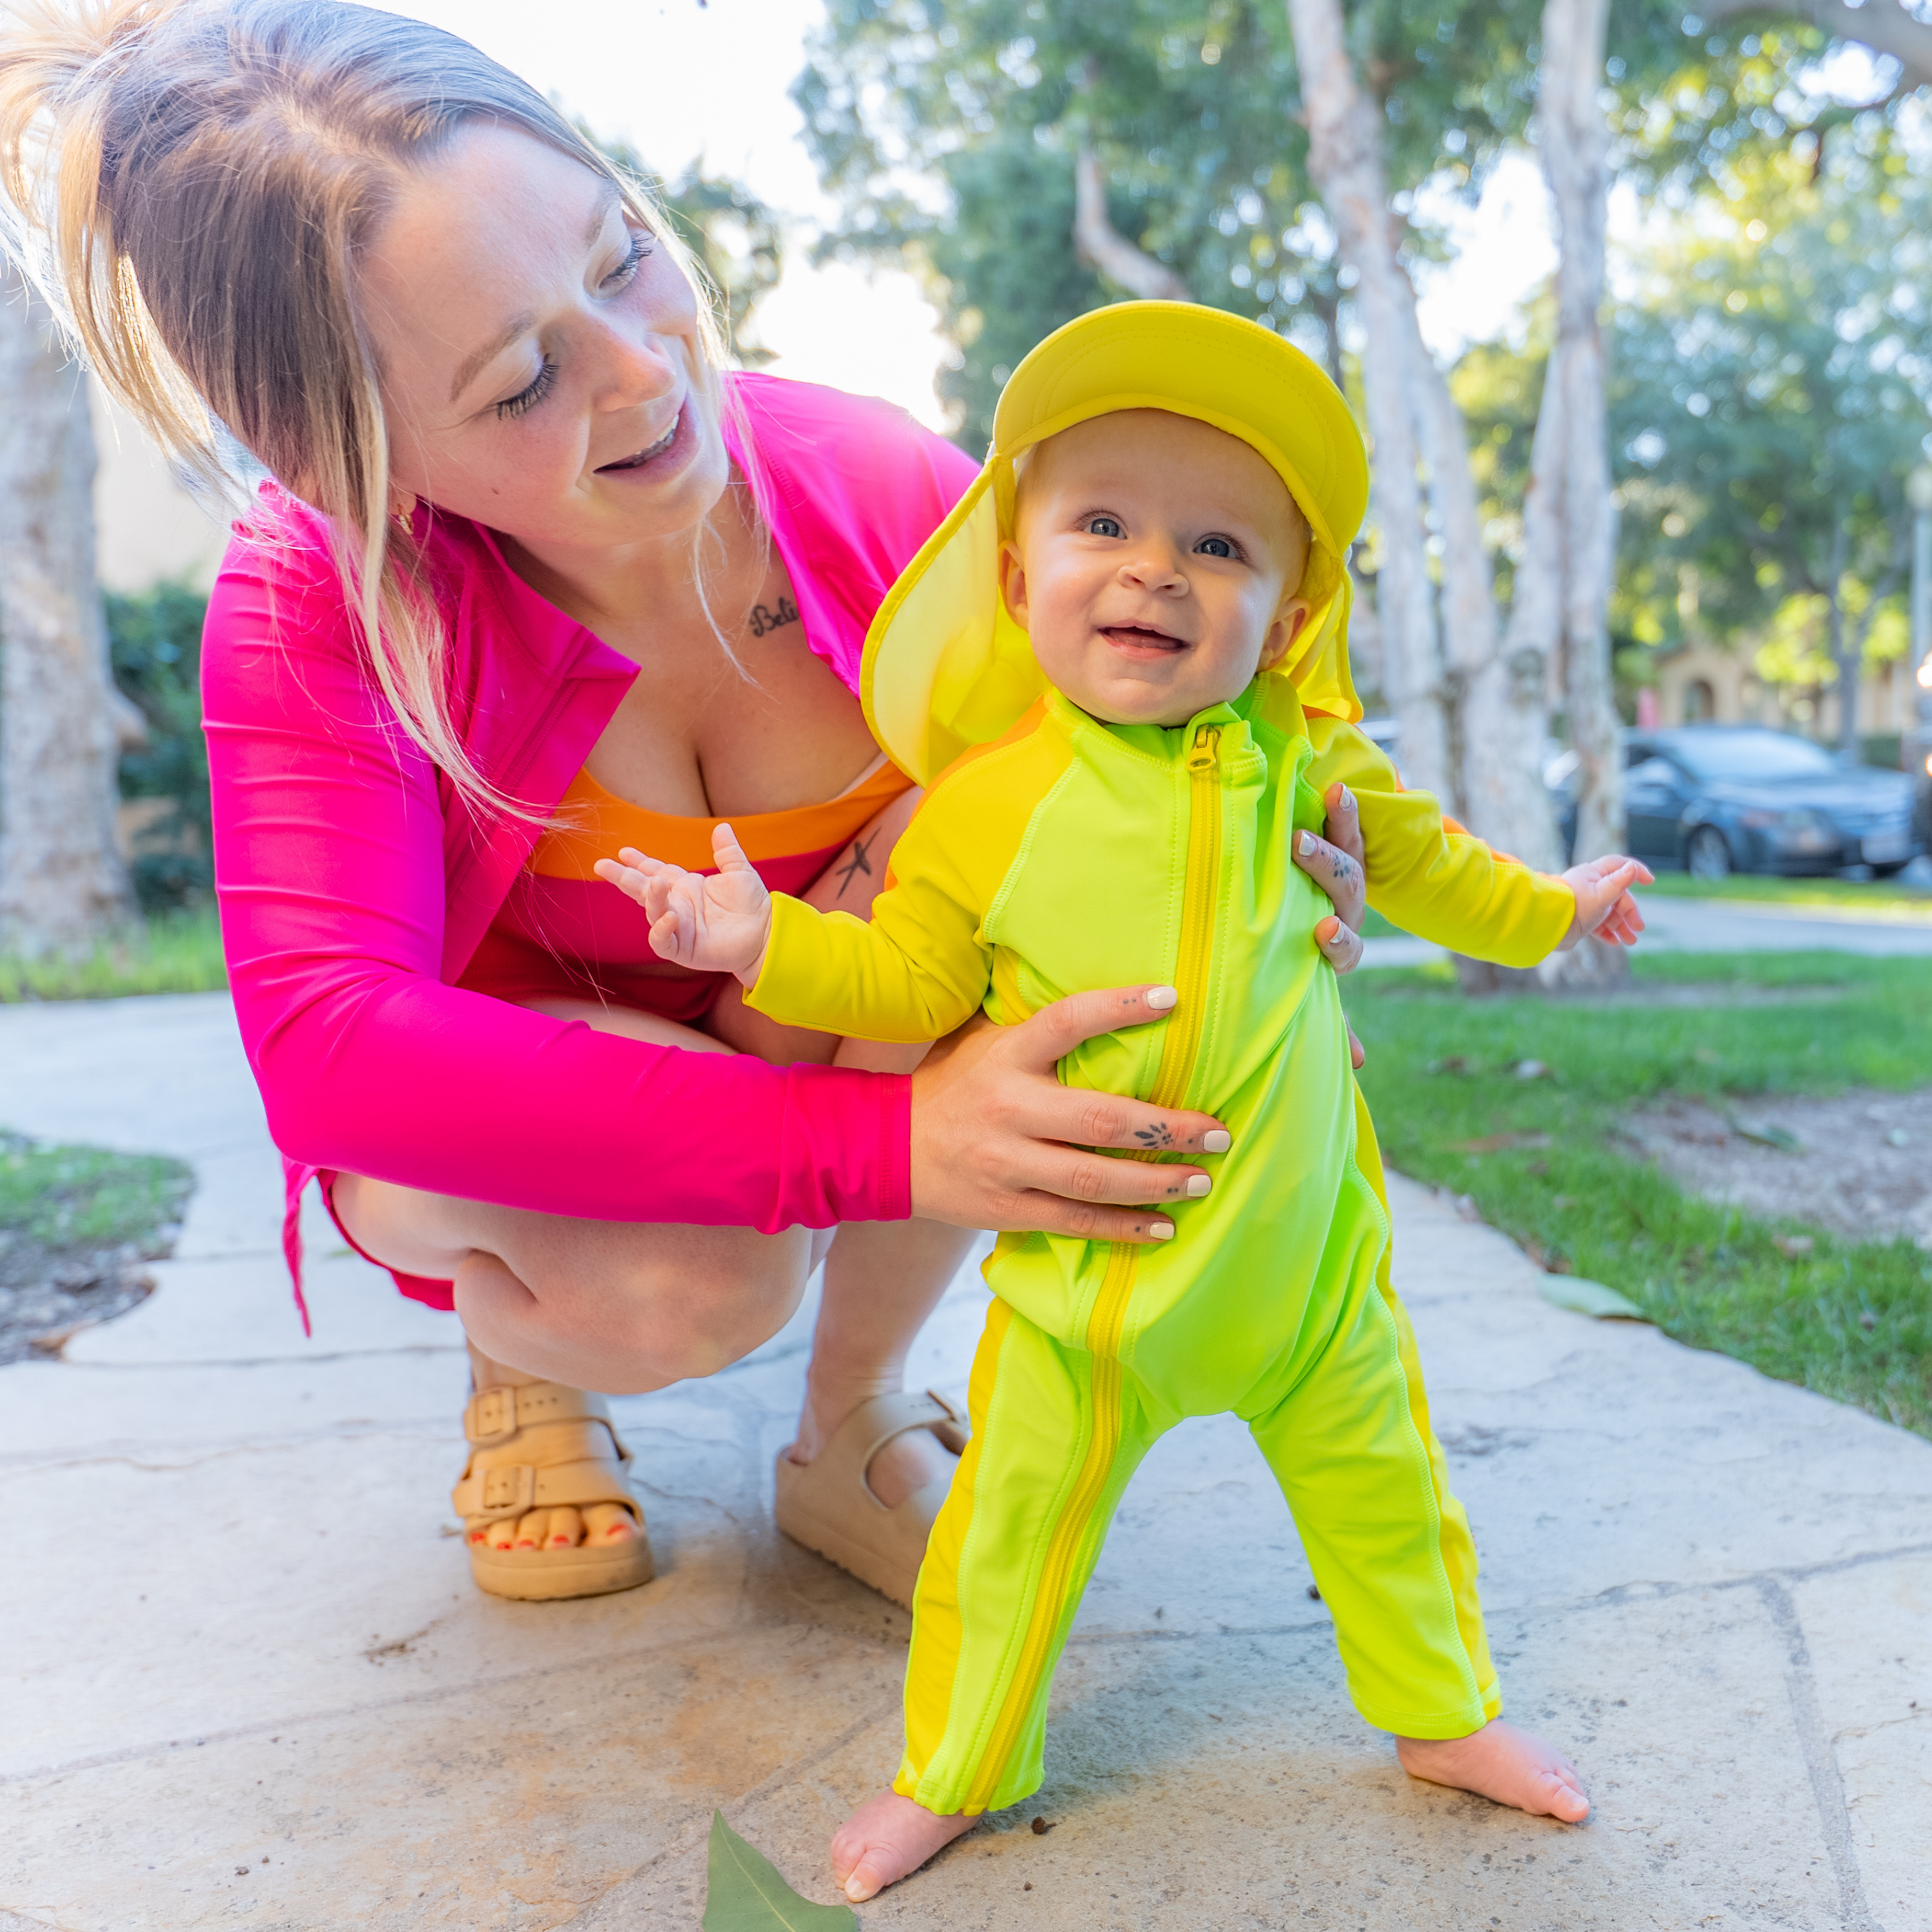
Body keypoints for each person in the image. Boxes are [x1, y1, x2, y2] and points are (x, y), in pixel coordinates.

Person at [0, 2, 1372, 1607]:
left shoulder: (889, 490)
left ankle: (849, 1417)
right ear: (338, 455)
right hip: (524, 1120)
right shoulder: (320, 601)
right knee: (681, 1290)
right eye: (520, 384)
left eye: (622, 253)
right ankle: (526, 1369)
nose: (647, 371)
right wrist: (891, 1145)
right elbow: (336, 1050)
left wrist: (1275, 866)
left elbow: (1167, 748)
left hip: (836, 1005)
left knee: (1001, 827)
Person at [599, 304, 1652, 1900]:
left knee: (1393, 1508)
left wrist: (1556, 907)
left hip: (1310, 1285)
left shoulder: (1303, 759)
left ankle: (1441, 1717)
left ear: (1288, 615)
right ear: (1018, 580)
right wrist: (767, 944)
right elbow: (903, 986)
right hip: (1093, 1299)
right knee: (1004, 1546)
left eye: (1218, 545)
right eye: (1103, 523)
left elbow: (1432, 866)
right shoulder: (988, 808)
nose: (1155, 567)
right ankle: (955, 1770)